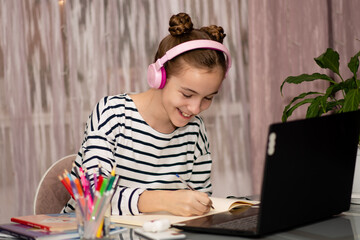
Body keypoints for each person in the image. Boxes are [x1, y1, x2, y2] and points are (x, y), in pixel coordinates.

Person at [62, 12, 231, 217]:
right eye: (187, 94)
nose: (195, 109)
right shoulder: (112, 114)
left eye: (208, 98)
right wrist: (159, 199)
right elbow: (92, 199)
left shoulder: (196, 131)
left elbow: (200, 205)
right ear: (158, 77)